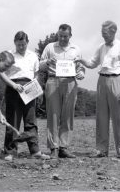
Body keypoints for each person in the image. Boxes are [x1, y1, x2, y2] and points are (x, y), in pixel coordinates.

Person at [77, 20, 120, 159]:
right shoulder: (101, 47)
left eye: (105, 33)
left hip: (116, 80)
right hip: (101, 81)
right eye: (102, 33)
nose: (103, 36)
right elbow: (92, 63)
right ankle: (101, 149)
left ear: (113, 31)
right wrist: (79, 60)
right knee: (101, 117)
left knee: (119, 117)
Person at [0, 31, 50, 161]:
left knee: (31, 121)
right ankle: (10, 151)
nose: (21, 47)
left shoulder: (33, 56)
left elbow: (37, 74)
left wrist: (37, 88)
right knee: (13, 121)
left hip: (29, 88)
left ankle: (35, 150)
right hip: (14, 88)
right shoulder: (9, 55)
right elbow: (1, 72)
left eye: (23, 44)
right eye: (18, 44)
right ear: (14, 43)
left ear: (27, 42)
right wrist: (12, 85)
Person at [40, 24, 85, 159]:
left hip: (70, 82)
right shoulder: (50, 47)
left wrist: (81, 73)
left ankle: (63, 147)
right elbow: (40, 65)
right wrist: (48, 61)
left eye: (65, 36)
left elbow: (81, 67)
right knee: (53, 115)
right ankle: (54, 147)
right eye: (60, 36)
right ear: (57, 34)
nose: (63, 38)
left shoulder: (76, 49)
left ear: (70, 35)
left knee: (67, 115)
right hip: (53, 81)